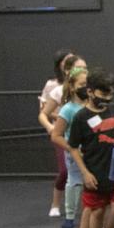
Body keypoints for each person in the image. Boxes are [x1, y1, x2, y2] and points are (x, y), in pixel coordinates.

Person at [67, 67, 114, 228]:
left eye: (110, 93)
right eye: (103, 93)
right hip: (94, 172)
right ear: (90, 92)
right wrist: (85, 172)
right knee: (97, 211)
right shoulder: (81, 117)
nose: (108, 97)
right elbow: (73, 147)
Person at [49, 65, 92, 228]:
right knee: (74, 181)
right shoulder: (68, 109)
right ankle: (70, 215)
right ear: (73, 87)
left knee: (93, 185)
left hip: (91, 152)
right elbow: (56, 136)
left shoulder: (91, 106)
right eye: (82, 84)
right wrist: (71, 148)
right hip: (74, 153)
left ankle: (91, 217)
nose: (86, 88)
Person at [39, 50, 84, 218]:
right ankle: (56, 203)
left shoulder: (87, 86)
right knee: (66, 171)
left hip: (84, 133)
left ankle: (89, 211)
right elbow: (44, 112)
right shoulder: (54, 88)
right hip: (63, 132)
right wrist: (54, 126)